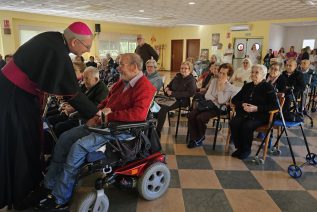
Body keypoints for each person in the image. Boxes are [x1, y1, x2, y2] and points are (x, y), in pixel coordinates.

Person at [37, 53, 156, 210]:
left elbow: (138, 115)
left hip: (121, 131)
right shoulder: (121, 83)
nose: (118, 67)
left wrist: (108, 116)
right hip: (104, 123)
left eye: (122, 64)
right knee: (65, 138)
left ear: (134, 67)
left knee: (77, 148)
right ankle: (49, 184)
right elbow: (106, 102)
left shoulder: (146, 87)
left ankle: (61, 197)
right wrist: (97, 114)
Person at [0, 21, 99, 210]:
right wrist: (94, 114)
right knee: (21, 145)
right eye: (86, 46)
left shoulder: (52, 40)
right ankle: (21, 194)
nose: (87, 51)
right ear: (75, 42)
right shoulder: (56, 51)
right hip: (15, 99)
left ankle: (25, 187)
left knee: (25, 143)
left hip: (15, 94)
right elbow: (72, 93)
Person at [229, 64, 278, 159]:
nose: (253, 74)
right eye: (252, 72)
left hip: (260, 116)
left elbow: (274, 105)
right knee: (234, 122)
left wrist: (256, 108)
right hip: (245, 113)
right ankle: (239, 148)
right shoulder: (247, 86)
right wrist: (243, 104)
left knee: (247, 126)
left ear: (263, 75)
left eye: (257, 72)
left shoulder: (268, 87)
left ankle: (246, 150)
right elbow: (235, 99)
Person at [48, 67, 109, 137]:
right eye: (83, 78)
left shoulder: (102, 90)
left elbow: (94, 109)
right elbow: (76, 97)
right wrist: (68, 104)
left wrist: (74, 109)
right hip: (74, 113)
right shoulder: (86, 85)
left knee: (59, 127)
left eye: (86, 78)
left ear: (96, 79)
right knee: (50, 118)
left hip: (84, 119)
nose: (84, 80)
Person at [187, 63, 236, 148]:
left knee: (200, 117)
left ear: (228, 76)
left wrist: (220, 89)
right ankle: (194, 138)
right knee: (191, 114)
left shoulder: (230, 88)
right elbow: (207, 96)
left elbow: (221, 101)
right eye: (220, 72)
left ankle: (200, 137)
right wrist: (215, 98)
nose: (220, 75)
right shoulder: (214, 81)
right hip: (208, 104)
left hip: (219, 108)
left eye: (224, 73)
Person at [156, 61, 196, 137]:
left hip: (182, 100)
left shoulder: (191, 80)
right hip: (171, 98)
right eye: (182, 68)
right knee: (155, 103)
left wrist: (173, 93)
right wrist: (167, 88)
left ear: (190, 70)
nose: (183, 70)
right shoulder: (177, 76)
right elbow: (170, 85)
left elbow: (190, 93)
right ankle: (152, 125)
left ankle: (158, 131)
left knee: (163, 108)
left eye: (185, 68)